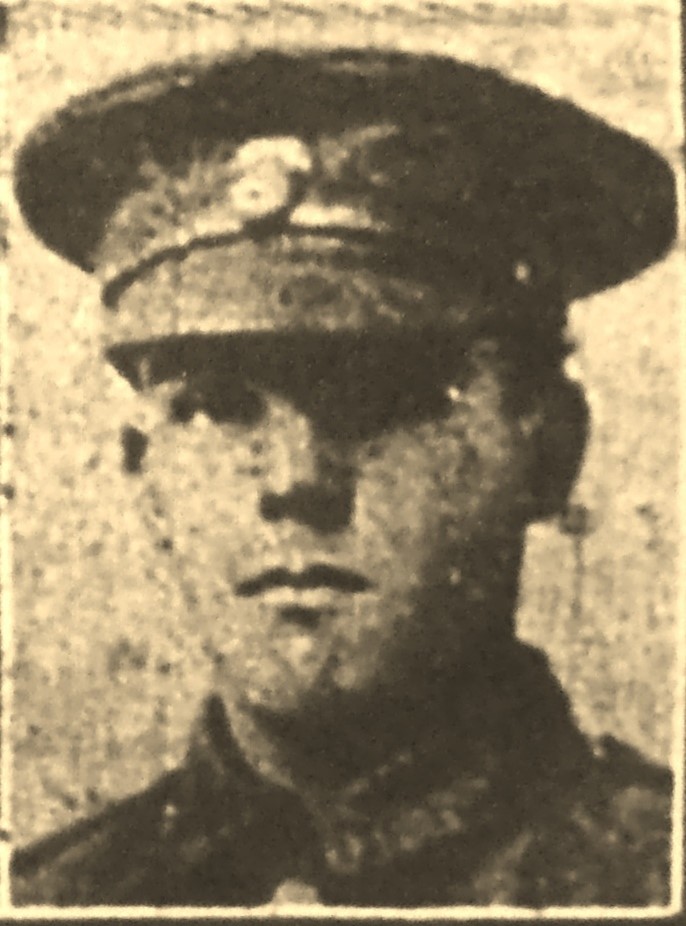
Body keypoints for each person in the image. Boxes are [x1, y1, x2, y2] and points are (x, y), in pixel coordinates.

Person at [10, 49, 677, 907]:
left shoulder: (648, 879)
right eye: (218, 407)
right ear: (146, 476)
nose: (295, 480)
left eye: (386, 399)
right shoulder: (55, 899)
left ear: (548, 452)